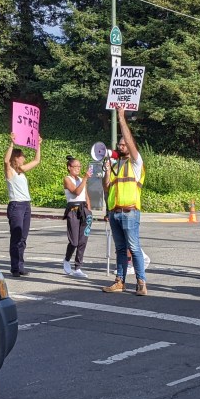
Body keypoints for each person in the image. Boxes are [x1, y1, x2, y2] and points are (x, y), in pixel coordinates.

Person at [102, 107, 147, 296]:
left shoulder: (136, 163)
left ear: (130, 146)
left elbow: (128, 139)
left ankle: (141, 282)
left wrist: (121, 118)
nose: (120, 146)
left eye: (123, 144)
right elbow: (107, 188)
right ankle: (120, 281)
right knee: (120, 249)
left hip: (129, 212)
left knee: (134, 248)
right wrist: (106, 171)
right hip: (115, 212)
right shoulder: (115, 165)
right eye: (119, 144)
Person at [4, 132, 41, 277]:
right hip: (16, 205)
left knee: (23, 238)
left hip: (26, 205)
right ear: (16, 158)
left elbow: (37, 161)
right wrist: (11, 144)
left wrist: (39, 144)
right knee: (16, 236)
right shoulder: (10, 171)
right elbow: (6, 161)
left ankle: (20, 266)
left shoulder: (22, 171)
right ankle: (14, 268)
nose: (24, 158)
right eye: (22, 156)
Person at [62, 155, 92, 278]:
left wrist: (89, 211)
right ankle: (67, 259)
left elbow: (85, 195)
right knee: (74, 241)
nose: (78, 169)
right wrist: (85, 178)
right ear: (69, 167)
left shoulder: (81, 179)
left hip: (83, 209)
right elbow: (76, 192)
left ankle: (78, 267)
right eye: (76, 167)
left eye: (79, 166)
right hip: (73, 210)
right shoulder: (67, 179)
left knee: (82, 240)